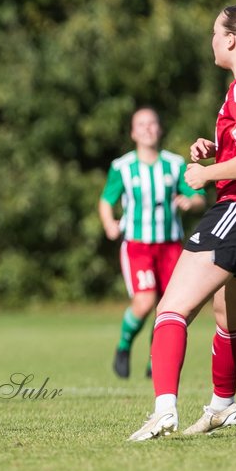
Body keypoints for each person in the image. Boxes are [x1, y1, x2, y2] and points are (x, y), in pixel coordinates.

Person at [129, 0, 236, 441]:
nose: (211, 40)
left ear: (229, 40)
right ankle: (222, 406)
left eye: (213, 33)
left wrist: (205, 174)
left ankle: (164, 410)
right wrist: (219, 150)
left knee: (172, 309)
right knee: (228, 315)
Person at [99, 108, 205, 380]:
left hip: (170, 245)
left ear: (160, 129)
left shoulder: (174, 164)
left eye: (152, 124)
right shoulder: (122, 167)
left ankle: (155, 360)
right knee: (145, 302)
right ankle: (123, 347)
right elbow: (106, 200)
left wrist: (190, 201)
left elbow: (198, 195)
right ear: (133, 132)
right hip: (138, 245)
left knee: (169, 306)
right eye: (141, 125)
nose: (147, 129)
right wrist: (110, 222)